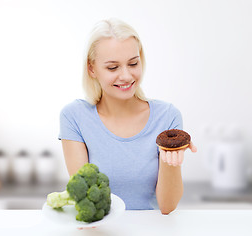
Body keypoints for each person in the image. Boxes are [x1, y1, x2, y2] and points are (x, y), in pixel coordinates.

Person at [58, 18, 197, 214]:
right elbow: (85, 199)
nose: (126, 76)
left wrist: (171, 157)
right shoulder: (75, 117)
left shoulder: (167, 116)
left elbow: (167, 206)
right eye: (113, 67)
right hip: (100, 231)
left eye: (133, 63)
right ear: (92, 68)